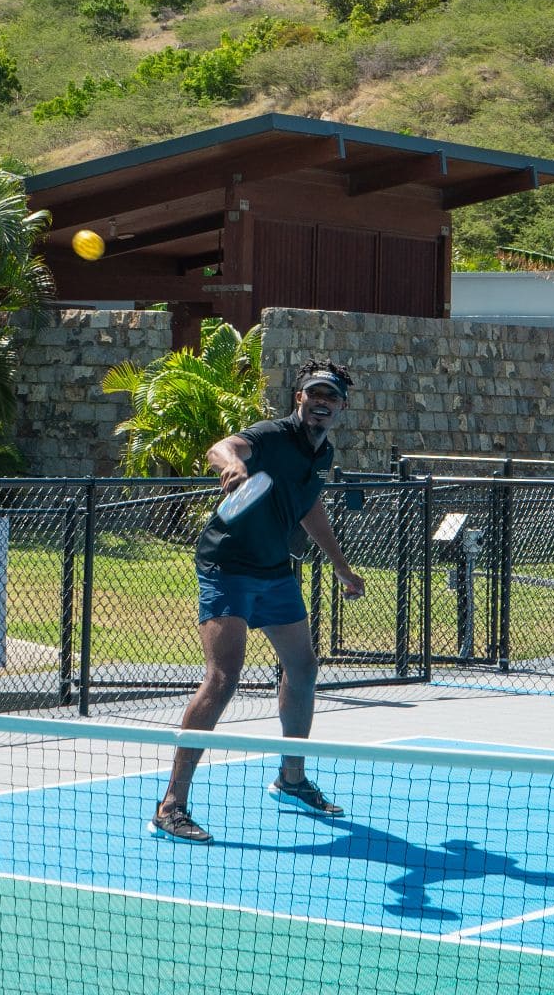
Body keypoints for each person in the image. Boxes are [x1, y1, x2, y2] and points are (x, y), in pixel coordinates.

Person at [149, 360, 367, 845]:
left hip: (274, 571)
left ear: (341, 407)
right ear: (299, 399)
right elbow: (223, 446)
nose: (322, 403)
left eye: (330, 397)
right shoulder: (270, 435)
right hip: (227, 566)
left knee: (304, 667)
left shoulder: (322, 452)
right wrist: (231, 464)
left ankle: (291, 778)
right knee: (223, 677)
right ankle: (171, 805)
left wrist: (340, 565)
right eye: (314, 395)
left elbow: (308, 506)